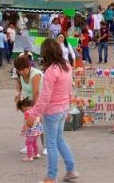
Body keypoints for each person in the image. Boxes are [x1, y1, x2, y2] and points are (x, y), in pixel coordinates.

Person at [28, 37, 79, 183]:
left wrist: (33, 113)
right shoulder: (67, 66)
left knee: (51, 144)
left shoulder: (51, 70)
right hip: (63, 109)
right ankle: (71, 170)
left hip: (52, 112)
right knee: (59, 140)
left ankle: (51, 177)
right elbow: (70, 89)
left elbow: (45, 97)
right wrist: (68, 107)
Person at [14, 55, 45, 155]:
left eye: (23, 70)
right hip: (28, 103)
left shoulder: (35, 74)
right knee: (29, 125)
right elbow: (19, 84)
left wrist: (35, 111)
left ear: (28, 66)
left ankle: (46, 146)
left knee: (41, 124)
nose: (21, 72)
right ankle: (30, 145)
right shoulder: (20, 74)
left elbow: (36, 93)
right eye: (19, 70)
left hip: (40, 102)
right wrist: (18, 93)